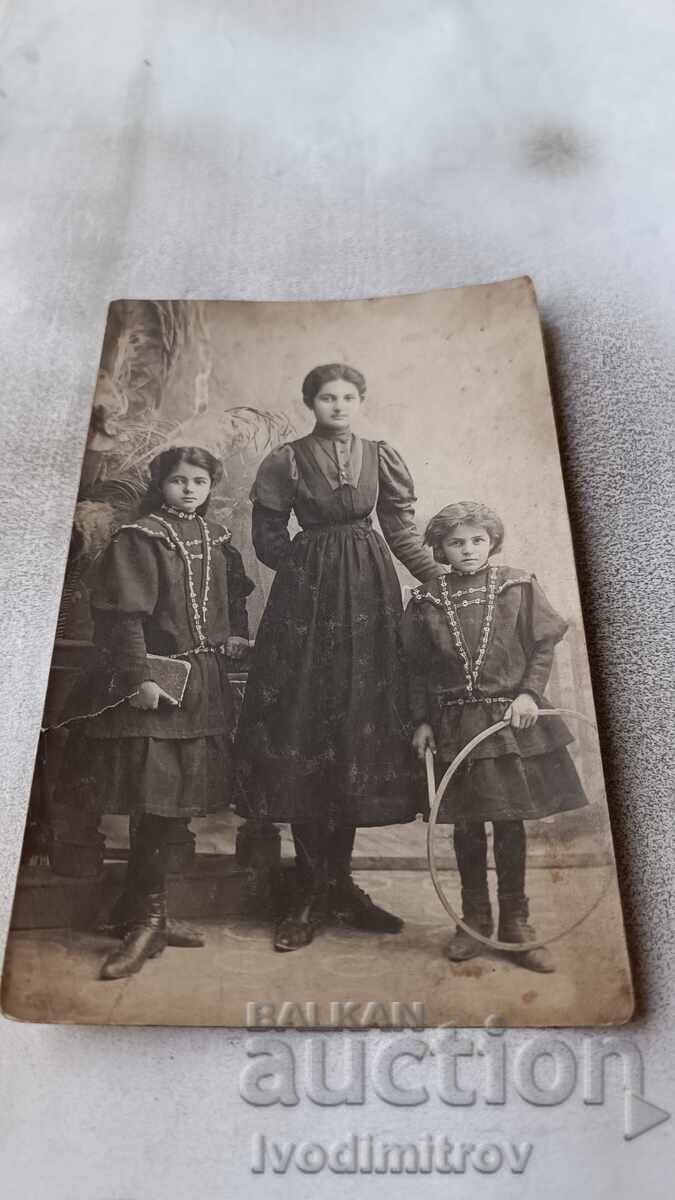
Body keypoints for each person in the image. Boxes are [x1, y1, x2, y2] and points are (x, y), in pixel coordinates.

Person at [235, 363, 445, 951]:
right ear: (311, 402)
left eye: (348, 397)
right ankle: (308, 890)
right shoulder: (287, 459)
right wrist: (312, 573)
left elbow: (402, 532)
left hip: (371, 599)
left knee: (356, 728)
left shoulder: (380, 455)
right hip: (306, 608)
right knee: (306, 727)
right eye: (328, 397)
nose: (339, 405)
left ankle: (340, 884)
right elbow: (268, 538)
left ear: (360, 401)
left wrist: (438, 580)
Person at [57, 447, 253, 980]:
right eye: (178, 481)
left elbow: (233, 600)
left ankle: (148, 913)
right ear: (159, 484)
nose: (189, 490)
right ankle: (143, 917)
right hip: (153, 683)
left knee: (174, 802)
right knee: (153, 795)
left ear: (211, 487)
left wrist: (235, 631)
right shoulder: (139, 537)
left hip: (202, 684)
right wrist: (139, 677)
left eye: (199, 481)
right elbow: (123, 619)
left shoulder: (217, 543)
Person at [401, 500, 588, 973]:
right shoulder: (426, 598)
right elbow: (415, 668)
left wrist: (528, 695)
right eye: (456, 543)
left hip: (509, 720)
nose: (468, 550)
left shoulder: (517, 585)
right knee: (467, 823)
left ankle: (514, 924)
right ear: (440, 548)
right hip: (453, 725)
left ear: (492, 541)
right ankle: (473, 920)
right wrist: (421, 719)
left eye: (477, 540)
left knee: (508, 821)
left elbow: (542, 645)